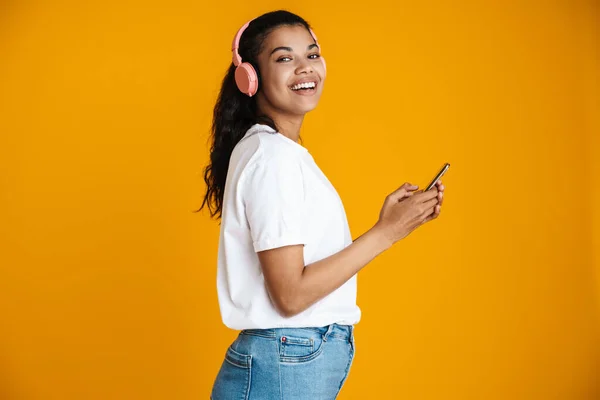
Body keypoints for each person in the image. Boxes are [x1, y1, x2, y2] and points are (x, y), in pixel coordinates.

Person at [199, 10, 445, 400]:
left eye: (312, 55)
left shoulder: (280, 153)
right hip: (286, 358)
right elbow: (290, 295)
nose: (305, 69)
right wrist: (387, 232)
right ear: (250, 76)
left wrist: (392, 226)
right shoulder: (272, 158)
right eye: (284, 58)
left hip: (292, 357)